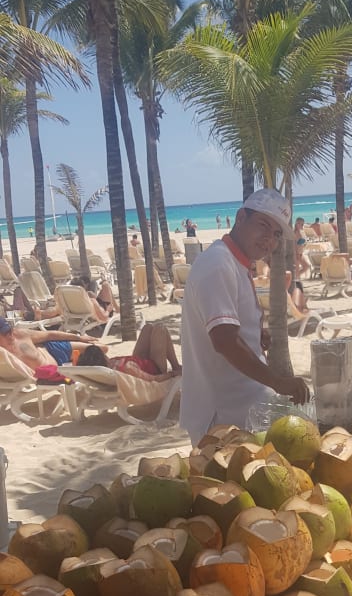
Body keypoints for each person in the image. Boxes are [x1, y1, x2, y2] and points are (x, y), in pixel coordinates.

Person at [179, 187, 309, 445]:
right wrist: (277, 382)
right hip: (223, 420)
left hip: (244, 409)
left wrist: (253, 336)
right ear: (241, 218)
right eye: (263, 225)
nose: (268, 239)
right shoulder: (218, 263)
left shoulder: (235, 263)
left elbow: (226, 329)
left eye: (276, 234)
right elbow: (225, 341)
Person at [76, 322, 181, 381]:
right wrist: (171, 374)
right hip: (156, 368)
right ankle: (176, 366)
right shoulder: (126, 369)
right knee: (160, 328)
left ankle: (176, 365)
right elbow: (153, 379)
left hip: (140, 362)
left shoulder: (109, 367)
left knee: (148, 327)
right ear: (103, 358)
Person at [0, 316, 101, 370]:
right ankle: (75, 364)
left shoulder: (19, 334)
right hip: (54, 371)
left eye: (10, 330)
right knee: (94, 356)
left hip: (52, 349)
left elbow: (49, 335)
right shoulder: (3, 355)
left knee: (101, 349)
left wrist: (79, 338)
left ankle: (75, 363)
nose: (10, 335)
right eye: (5, 333)